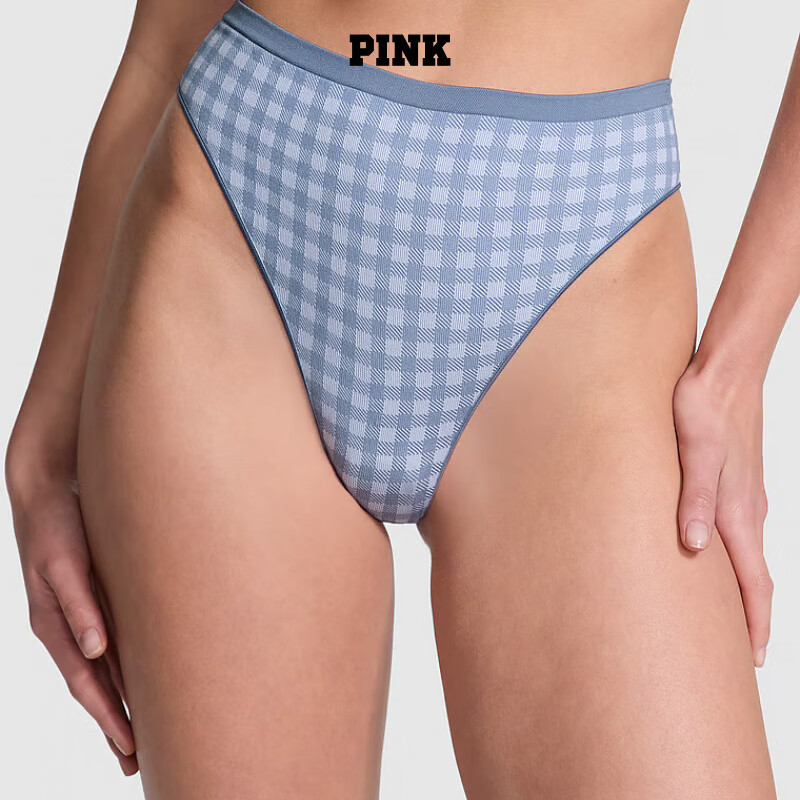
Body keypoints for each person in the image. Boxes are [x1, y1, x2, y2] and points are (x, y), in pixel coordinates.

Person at [6, 0, 796, 795]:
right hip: (238, 212)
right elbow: (163, 40)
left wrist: (737, 367)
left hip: (583, 283)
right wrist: (42, 441)